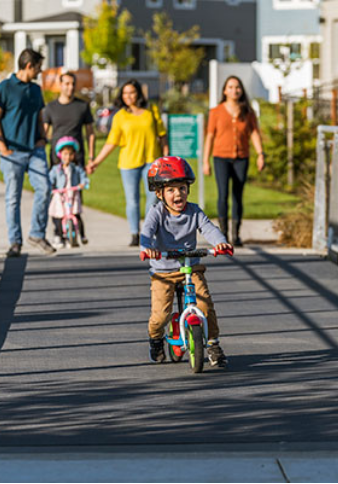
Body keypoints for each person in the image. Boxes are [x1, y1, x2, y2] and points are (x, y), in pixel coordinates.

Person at [140, 156, 232, 368]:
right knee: (160, 316)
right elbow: (146, 233)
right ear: (159, 193)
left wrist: (221, 243)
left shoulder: (194, 211)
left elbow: (209, 228)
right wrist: (147, 249)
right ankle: (155, 340)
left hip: (190, 268)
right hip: (163, 271)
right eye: (170, 190)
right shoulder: (157, 214)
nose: (177, 194)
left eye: (181, 188)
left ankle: (214, 345)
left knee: (205, 305)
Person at [88, 79, 168, 247]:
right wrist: (96, 162)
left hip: (152, 161)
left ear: (138, 93)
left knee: (153, 198)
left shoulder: (151, 110)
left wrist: (166, 159)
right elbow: (111, 142)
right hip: (128, 162)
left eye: (132, 92)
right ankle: (134, 233)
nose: (128, 96)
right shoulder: (119, 116)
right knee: (132, 200)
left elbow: (162, 135)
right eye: (125, 93)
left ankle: (148, 232)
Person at [0, 48, 55, 257]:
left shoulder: (36, 90)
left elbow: (39, 117)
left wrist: (42, 138)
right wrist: (2, 148)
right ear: (29, 66)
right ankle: (15, 242)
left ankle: (37, 234)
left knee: (45, 189)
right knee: (13, 198)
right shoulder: (4, 88)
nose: (40, 71)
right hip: (12, 153)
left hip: (34, 151)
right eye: (38, 67)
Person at [202, 75, 266, 247]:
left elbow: (254, 133)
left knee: (237, 196)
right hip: (220, 158)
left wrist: (261, 154)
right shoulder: (215, 112)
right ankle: (222, 234)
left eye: (237, 87)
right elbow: (209, 136)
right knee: (223, 195)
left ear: (241, 90)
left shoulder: (248, 112)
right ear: (224, 91)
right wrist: (205, 161)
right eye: (230, 87)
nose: (234, 90)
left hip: (241, 158)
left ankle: (236, 235)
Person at [42, 71, 96, 168]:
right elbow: (43, 133)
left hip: (77, 158)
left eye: (73, 84)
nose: (71, 87)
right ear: (61, 85)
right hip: (56, 159)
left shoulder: (82, 106)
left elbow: (90, 133)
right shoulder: (50, 107)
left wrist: (91, 157)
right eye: (67, 84)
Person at [48, 136, 89, 248]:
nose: (68, 157)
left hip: (72, 195)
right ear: (60, 154)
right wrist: (50, 187)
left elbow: (83, 177)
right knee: (58, 215)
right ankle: (58, 235)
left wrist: (83, 184)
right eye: (65, 154)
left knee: (76, 214)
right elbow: (50, 179)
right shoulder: (56, 169)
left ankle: (82, 235)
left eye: (71, 154)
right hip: (60, 195)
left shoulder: (76, 168)